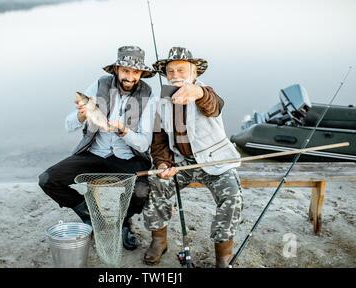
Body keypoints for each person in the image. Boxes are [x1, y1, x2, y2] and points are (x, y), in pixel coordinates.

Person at [39, 46, 156, 251]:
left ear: (141, 74)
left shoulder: (148, 94)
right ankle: (90, 215)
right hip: (94, 153)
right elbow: (68, 124)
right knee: (48, 180)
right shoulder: (99, 85)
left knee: (141, 190)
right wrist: (82, 115)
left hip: (128, 157)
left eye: (135, 72)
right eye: (126, 71)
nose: (130, 77)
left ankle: (123, 222)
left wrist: (125, 132)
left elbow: (144, 143)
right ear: (117, 69)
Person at [142, 47, 243, 268]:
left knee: (232, 196)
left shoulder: (206, 93)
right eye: (170, 71)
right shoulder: (161, 104)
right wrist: (162, 164)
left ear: (194, 74)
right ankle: (159, 241)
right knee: (156, 182)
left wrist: (197, 92)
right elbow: (158, 144)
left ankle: (223, 256)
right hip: (182, 164)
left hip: (215, 162)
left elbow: (213, 104)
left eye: (181, 70)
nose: (175, 75)